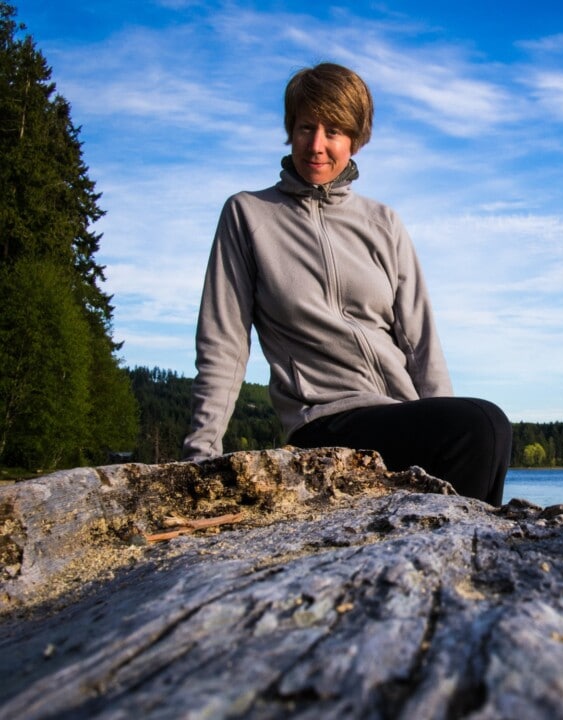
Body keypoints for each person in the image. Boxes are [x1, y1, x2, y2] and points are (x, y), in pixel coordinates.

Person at [182, 63, 510, 505]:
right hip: (322, 422)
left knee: (486, 426)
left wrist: (439, 415)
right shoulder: (248, 215)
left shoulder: (382, 222)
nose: (317, 146)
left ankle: (455, 548)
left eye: (333, 131)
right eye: (305, 128)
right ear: (289, 131)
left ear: (355, 140)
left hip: (396, 415)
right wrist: (200, 459)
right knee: (481, 426)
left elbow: (420, 342)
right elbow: (224, 343)